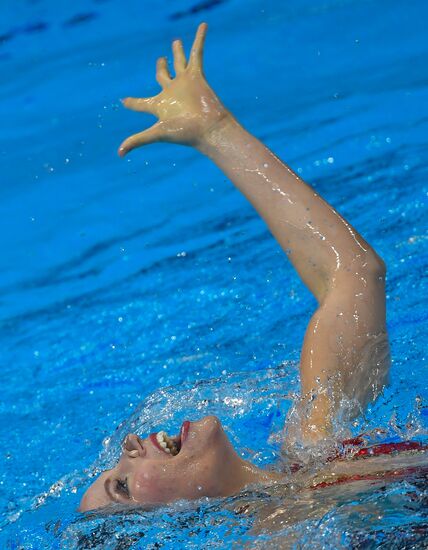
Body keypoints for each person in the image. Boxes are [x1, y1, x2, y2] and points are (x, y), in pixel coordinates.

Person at [79, 22, 397, 512]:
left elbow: (354, 273)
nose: (126, 449)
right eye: (122, 484)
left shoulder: (312, 444)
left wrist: (215, 132)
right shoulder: (287, 534)